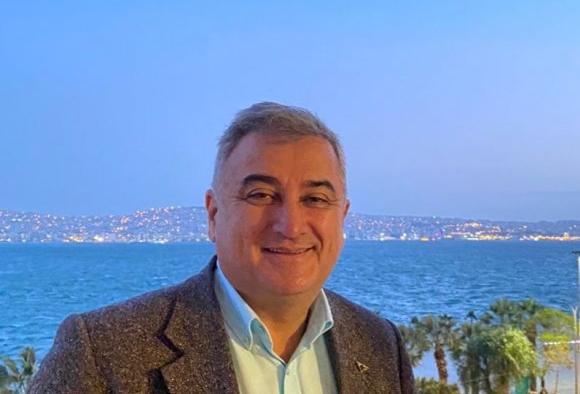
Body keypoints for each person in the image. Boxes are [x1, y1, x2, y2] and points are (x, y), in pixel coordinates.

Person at [29, 102, 415, 393]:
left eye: (315, 199)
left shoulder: (380, 343)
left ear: (341, 217)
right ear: (214, 214)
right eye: (261, 195)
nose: (291, 226)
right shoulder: (102, 350)